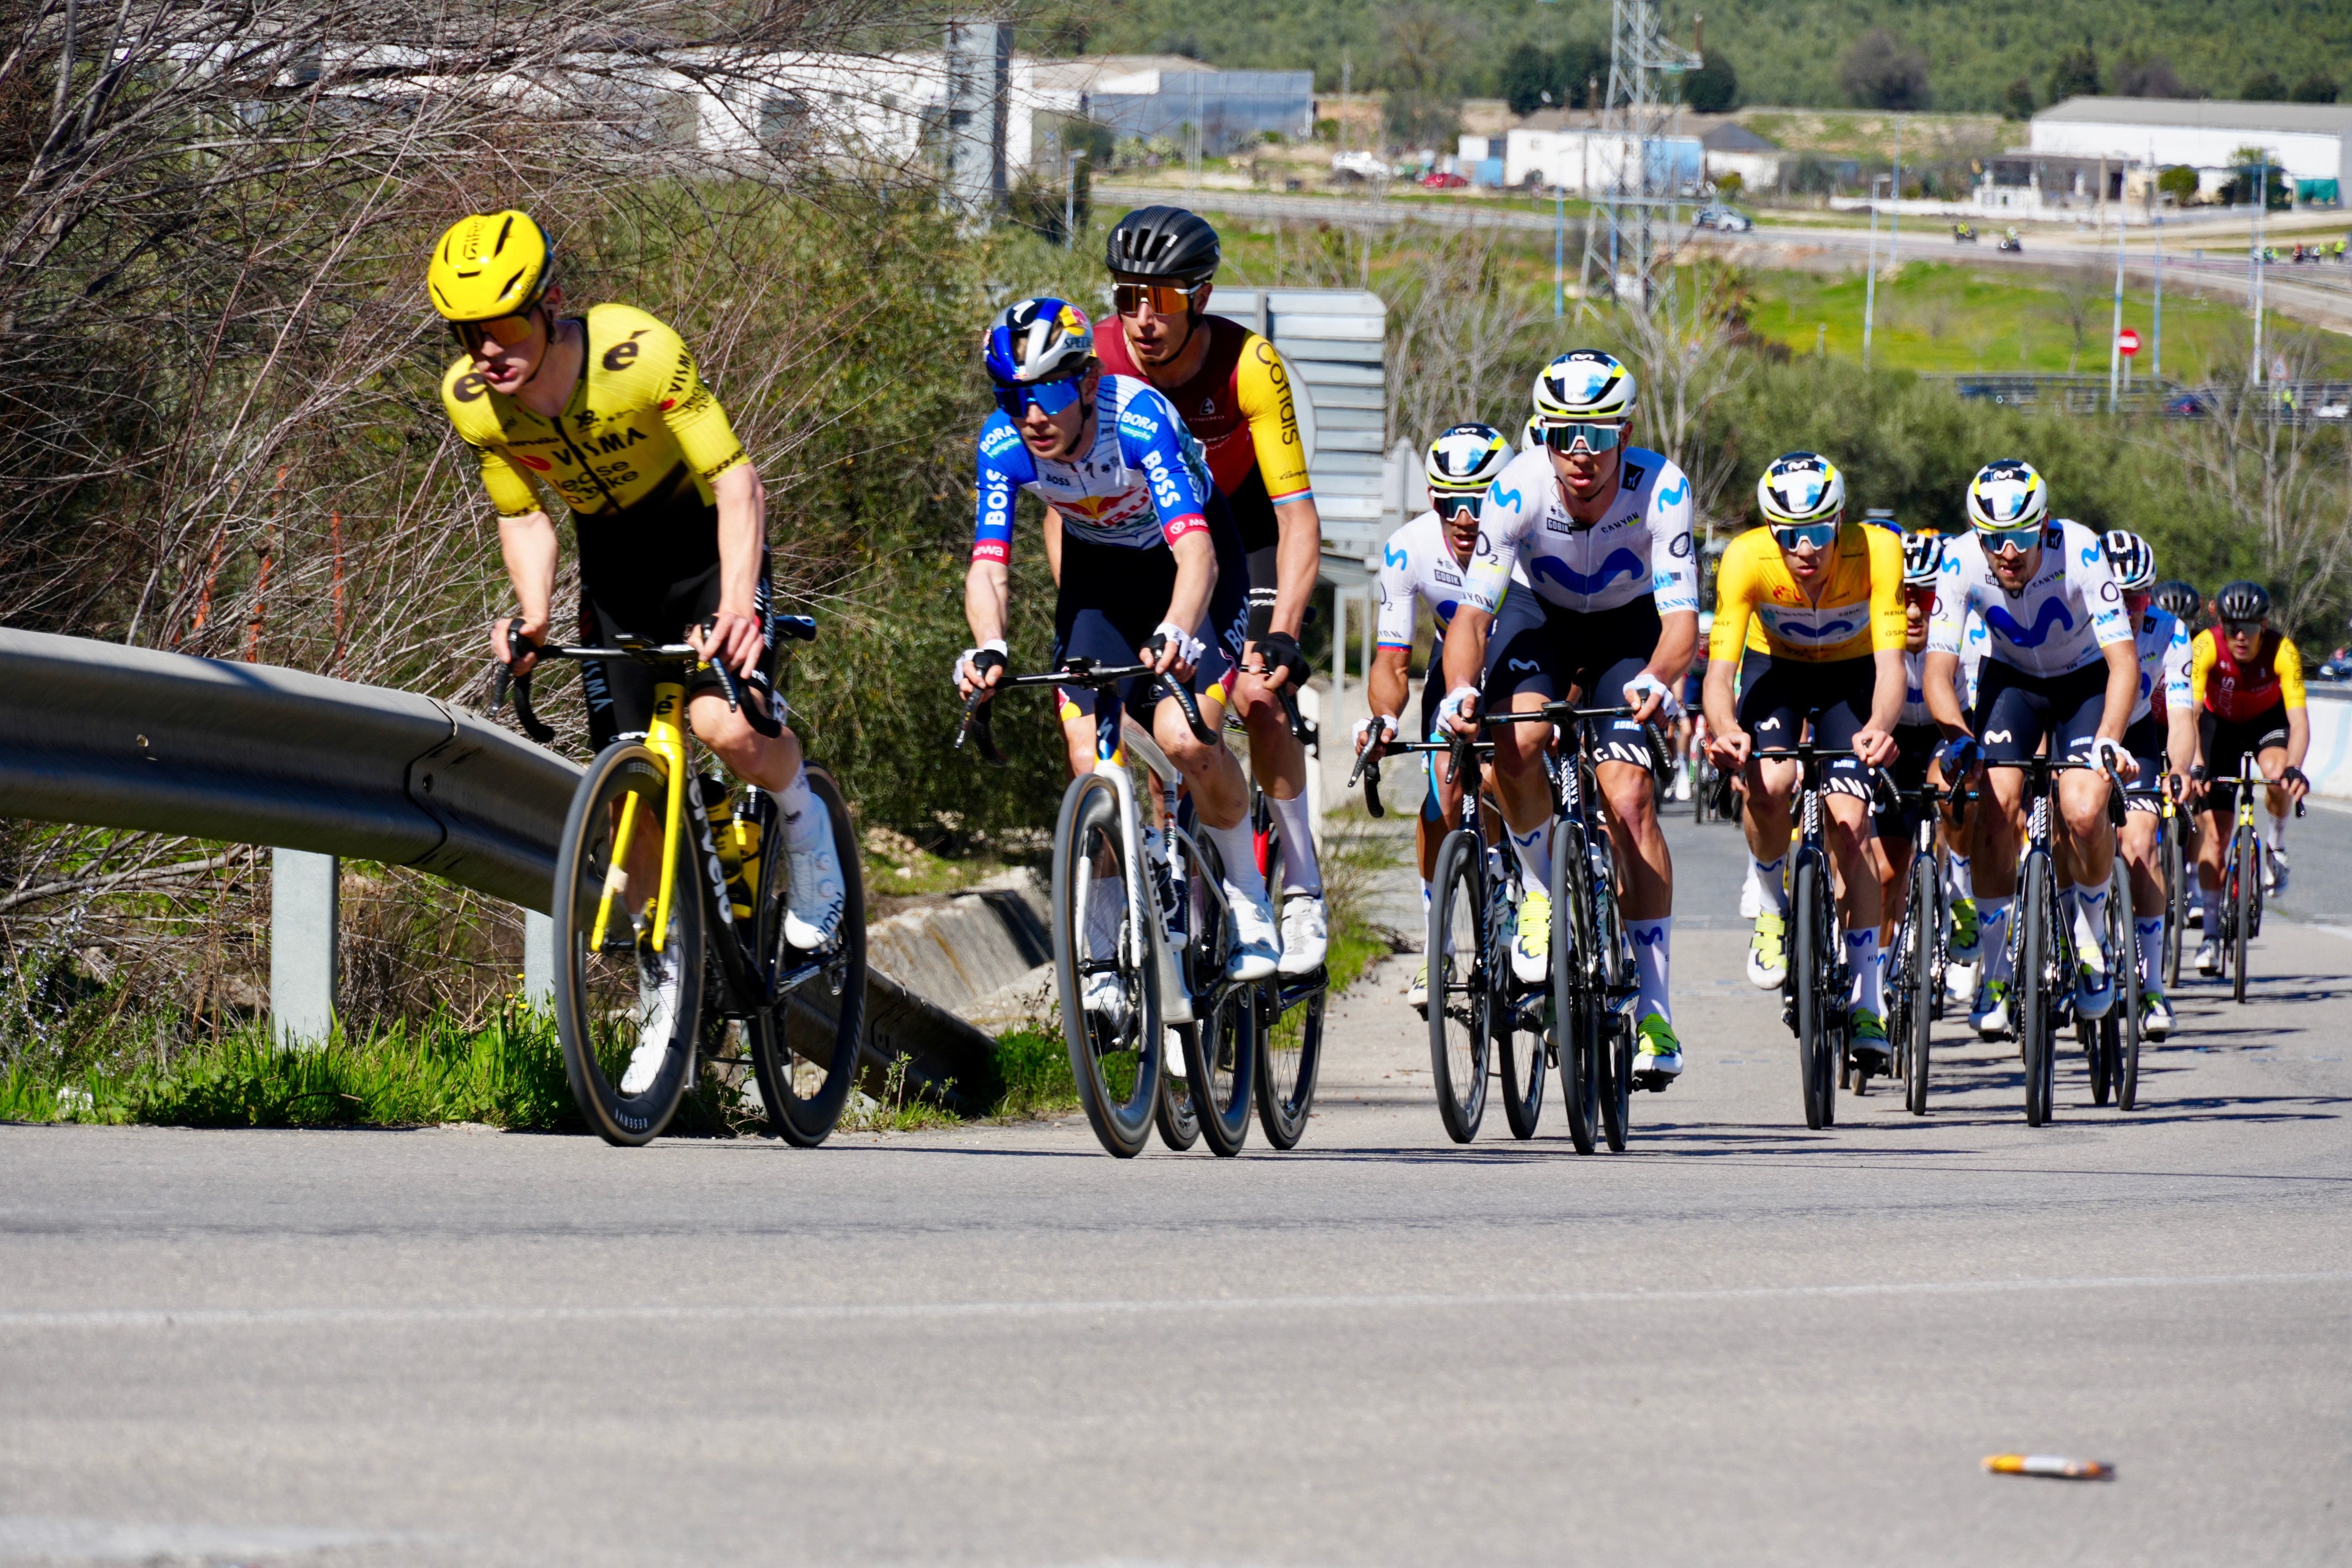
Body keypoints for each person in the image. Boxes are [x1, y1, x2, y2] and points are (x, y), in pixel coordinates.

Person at [429, 209, 843, 1094]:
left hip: (702, 549)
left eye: (502, 325)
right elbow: (522, 516)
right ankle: (667, 991)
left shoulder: (637, 350)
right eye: (467, 334)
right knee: (630, 790)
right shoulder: (473, 402)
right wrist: (533, 614)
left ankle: (807, 836)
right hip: (613, 568)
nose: (486, 350)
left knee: (722, 727)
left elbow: (736, 481)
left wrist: (738, 602)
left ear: (548, 307)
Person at [952, 296, 1277, 998]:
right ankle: (1103, 957)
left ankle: (1250, 901)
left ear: (1088, 382)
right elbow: (988, 564)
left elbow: (1196, 554)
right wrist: (988, 646)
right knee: (1089, 764)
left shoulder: (1138, 422)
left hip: (1192, 567)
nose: (1031, 413)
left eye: (1047, 391)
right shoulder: (1003, 443)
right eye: (1011, 394)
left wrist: (1177, 627)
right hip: (1100, 580)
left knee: (1184, 740)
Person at [1437, 351, 1701, 1081]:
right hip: (1539, 614)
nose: (1579, 456)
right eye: (1561, 437)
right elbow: (1473, 610)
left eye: (1596, 437)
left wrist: (1656, 677)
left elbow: (1681, 621)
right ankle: (1543, 890)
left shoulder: (1663, 489)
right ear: (1544, 437)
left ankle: (1653, 1007)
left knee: (1628, 797)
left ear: (1624, 432)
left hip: (1628, 628)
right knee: (1514, 742)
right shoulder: (1515, 489)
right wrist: (1460, 686)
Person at [1096, 206, 1328, 977]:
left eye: (1160, 300)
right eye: (1127, 297)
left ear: (1198, 296)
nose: (1141, 319)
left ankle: (1300, 887)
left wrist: (1284, 631)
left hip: (1244, 535)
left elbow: (1297, 517)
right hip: (1151, 542)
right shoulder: (1095, 360)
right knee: (1138, 715)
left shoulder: (1247, 364)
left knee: (1258, 696)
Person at [1923, 460, 2139, 1037]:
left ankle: (2090, 941)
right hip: (2011, 682)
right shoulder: (1962, 559)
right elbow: (1939, 673)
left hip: (2084, 682)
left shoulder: (2083, 551)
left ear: (2043, 525)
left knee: (2084, 809)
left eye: (2020, 538)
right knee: (1995, 810)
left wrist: (2109, 739)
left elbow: (2123, 663)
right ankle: (1996, 972)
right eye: (1995, 540)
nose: (2008, 553)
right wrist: (1958, 738)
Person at [1704, 454, 1905, 1072]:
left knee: (1851, 826)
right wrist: (1724, 729)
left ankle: (1868, 995)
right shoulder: (1744, 557)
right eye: (1788, 534)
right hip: (1777, 671)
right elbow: (1718, 673)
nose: (1804, 548)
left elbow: (1893, 667)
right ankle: (1770, 898)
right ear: (1771, 529)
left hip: (1852, 675)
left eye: (1818, 531)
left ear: (1839, 521)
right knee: (1768, 781)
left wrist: (1878, 727)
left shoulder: (1877, 551)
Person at [1355, 424, 1534, 1010]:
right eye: (1447, 500)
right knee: (1442, 795)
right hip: (1450, 675)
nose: (1463, 517)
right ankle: (1440, 945)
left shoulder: (1528, 542)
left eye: (1479, 500)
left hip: (1520, 662)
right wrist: (1383, 718)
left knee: (1522, 771)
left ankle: (1546, 890)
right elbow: (1391, 661)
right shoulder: (1410, 547)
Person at [1870, 531, 1973, 1027]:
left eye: (1926, 598)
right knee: (1888, 873)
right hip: (1891, 743)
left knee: (1948, 786)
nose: (1914, 612)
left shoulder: (1963, 636)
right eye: (1903, 598)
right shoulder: (1875, 634)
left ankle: (1962, 888)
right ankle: (1881, 974)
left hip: (1940, 735)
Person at [2187, 579, 2311, 972]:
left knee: (2277, 775)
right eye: (2232, 627)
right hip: (2217, 728)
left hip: (2265, 723)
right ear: (2219, 622)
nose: (2241, 636)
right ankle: (2209, 935)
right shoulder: (2206, 646)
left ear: (2265, 624)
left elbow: (2299, 721)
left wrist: (2295, 768)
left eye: (2252, 628)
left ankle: (2275, 845)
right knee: (2216, 836)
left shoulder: (2283, 650)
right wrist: (2195, 765)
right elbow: (2189, 715)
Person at [2103, 530, 2193, 1037]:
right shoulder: (2078, 621)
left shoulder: (2170, 631)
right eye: (2121, 595)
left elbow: (2181, 720)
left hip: (2136, 733)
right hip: (2083, 723)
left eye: (2140, 595)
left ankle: (2152, 985)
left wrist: (2179, 769)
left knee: (2142, 845)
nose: (2131, 607)